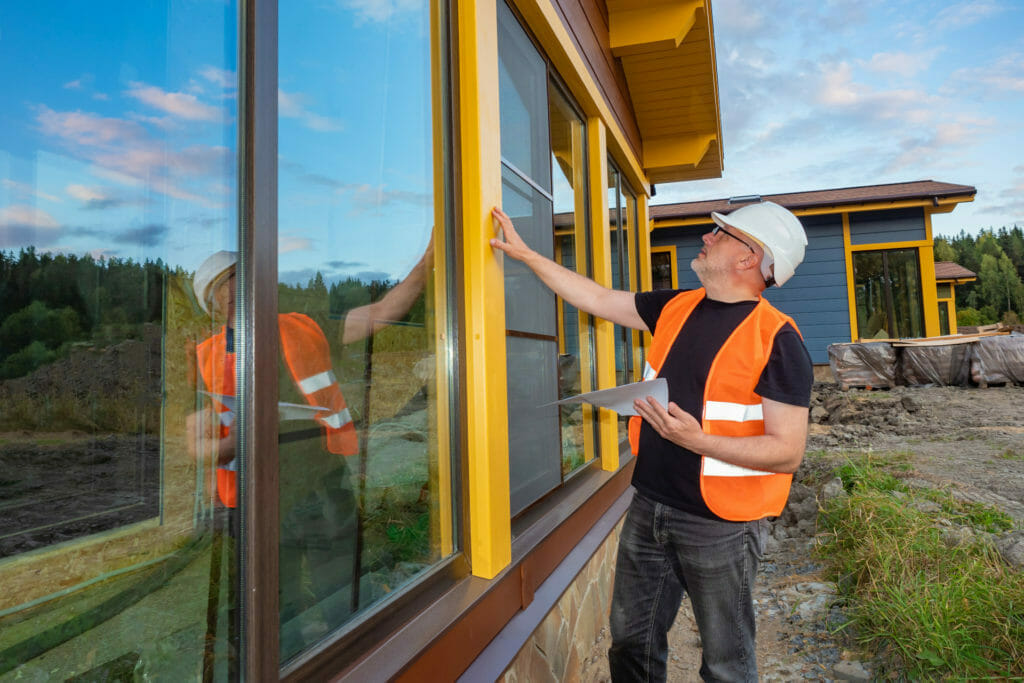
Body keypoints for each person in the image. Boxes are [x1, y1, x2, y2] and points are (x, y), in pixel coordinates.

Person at [490, 201, 813, 682]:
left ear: (749, 257)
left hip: (720, 524)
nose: (706, 238)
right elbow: (597, 299)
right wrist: (528, 256)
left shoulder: (778, 340)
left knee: (727, 663)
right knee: (631, 645)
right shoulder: (675, 307)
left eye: (720, 234)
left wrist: (697, 440)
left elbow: (787, 452)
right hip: (650, 505)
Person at [186, 244, 431, 658]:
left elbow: (383, 312)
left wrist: (427, 264)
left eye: (238, 278)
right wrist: (235, 441)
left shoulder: (303, 327)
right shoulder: (207, 357)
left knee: (345, 600)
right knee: (274, 619)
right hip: (254, 504)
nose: (235, 291)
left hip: (321, 492)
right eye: (223, 287)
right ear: (212, 305)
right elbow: (196, 445)